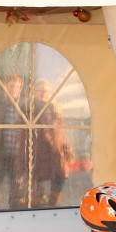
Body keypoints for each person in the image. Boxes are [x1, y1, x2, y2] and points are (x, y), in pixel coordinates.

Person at [0, 73, 28, 210]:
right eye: (11, 85)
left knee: (16, 187)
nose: (14, 88)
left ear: (21, 88)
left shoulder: (25, 104)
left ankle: (14, 212)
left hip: (18, 154)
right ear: (4, 86)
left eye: (17, 86)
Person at [31, 79, 74, 208]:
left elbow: (60, 135)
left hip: (55, 155)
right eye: (40, 90)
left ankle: (53, 208)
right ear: (34, 93)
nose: (43, 93)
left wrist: (67, 150)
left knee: (58, 185)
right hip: (39, 156)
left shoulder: (55, 109)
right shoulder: (30, 110)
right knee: (36, 195)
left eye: (46, 91)